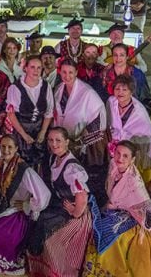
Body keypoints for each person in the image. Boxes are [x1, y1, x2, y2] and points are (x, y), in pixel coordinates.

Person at [0, 134, 50, 277]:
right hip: (6, 208)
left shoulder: (25, 170)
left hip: (19, 213)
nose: (6, 150)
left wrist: (27, 205)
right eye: (3, 146)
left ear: (16, 149)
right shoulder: (2, 164)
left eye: (10, 147)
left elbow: (44, 195)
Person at [83, 140, 151, 276]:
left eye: (125, 156)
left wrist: (140, 214)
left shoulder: (133, 182)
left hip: (131, 217)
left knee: (110, 234)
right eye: (118, 153)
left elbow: (144, 207)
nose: (120, 158)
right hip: (114, 210)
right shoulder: (113, 165)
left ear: (132, 160)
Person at [26, 127, 93, 277]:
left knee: (44, 221)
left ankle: (41, 259)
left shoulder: (72, 168)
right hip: (59, 202)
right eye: (51, 140)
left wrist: (74, 212)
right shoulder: (54, 158)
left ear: (67, 142)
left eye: (58, 140)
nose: (54, 144)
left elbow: (82, 197)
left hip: (72, 208)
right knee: (33, 213)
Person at [53, 59, 108, 201]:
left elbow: (99, 115)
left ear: (76, 72)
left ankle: (82, 203)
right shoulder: (59, 90)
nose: (67, 76)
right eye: (64, 72)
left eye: (70, 72)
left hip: (81, 142)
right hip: (61, 141)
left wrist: (82, 137)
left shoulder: (87, 92)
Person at [106, 74, 151, 187]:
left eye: (124, 89)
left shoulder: (139, 112)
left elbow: (148, 136)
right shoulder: (111, 102)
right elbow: (108, 123)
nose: (120, 92)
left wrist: (130, 142)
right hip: (115, 147)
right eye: (117, 89)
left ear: (131, 92)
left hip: (136, 149)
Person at [6, 55, 54, 169]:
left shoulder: (46, 86)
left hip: (39, 130)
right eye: (32, 67)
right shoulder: (15, 88)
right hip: (21, 130)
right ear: (26, 68)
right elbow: (11, 114)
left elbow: (49, 112)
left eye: (39, 67)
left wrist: (43, 132)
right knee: (22, 162)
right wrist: (24, 135)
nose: (36, 71)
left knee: (39, 161)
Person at [101, 43, 151, 114]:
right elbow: (100, 96)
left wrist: (139, 114)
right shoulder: (104, 73)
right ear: (112, 56)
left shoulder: (136, 74)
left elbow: (145, 98)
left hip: (132, 113)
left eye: (122, 55)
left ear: (127, 56)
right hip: (109, 113)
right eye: (115, 55)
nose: (118, 58)